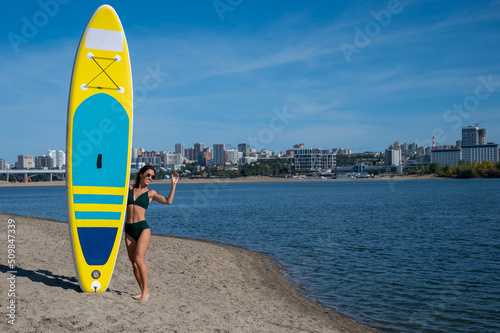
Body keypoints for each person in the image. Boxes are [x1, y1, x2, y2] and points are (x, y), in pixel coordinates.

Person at [125, 165, 179, 301]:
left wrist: (173, 185)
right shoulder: (129, 189)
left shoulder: (151, 193)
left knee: (139, 260)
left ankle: (146, 292)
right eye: (148, 175)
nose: (150, 178)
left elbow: (168, 201)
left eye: (152, 176)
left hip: (142, 229)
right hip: (129, 229)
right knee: (133, 263)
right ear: (141, 174)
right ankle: (142, 290)